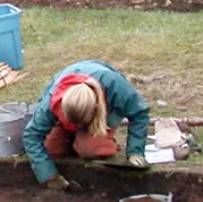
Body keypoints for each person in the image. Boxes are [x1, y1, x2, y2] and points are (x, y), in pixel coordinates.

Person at [21, 60, 152, 190]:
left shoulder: (115, 86)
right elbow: (32, 135)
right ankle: (72, 138)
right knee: (51, 151)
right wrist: (50, 176)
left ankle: (92, 140)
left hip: (101, 114)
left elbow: (139, 113)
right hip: (67, 115)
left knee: (92, 150)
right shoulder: (52, 100)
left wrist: (135, 152)